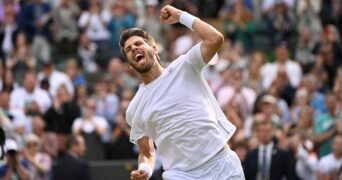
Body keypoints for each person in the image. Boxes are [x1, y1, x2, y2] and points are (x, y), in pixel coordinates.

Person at [119, 5, 244, 180]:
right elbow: (147, 153)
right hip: (180, 175)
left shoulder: (184, 65)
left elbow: (215, 39)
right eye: (128, 50)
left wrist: (181, 16)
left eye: (138, 44)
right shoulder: (134, 109)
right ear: (130, 64)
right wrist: (145, 170)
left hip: (221, 165)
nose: (133, 49)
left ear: (154, 48)